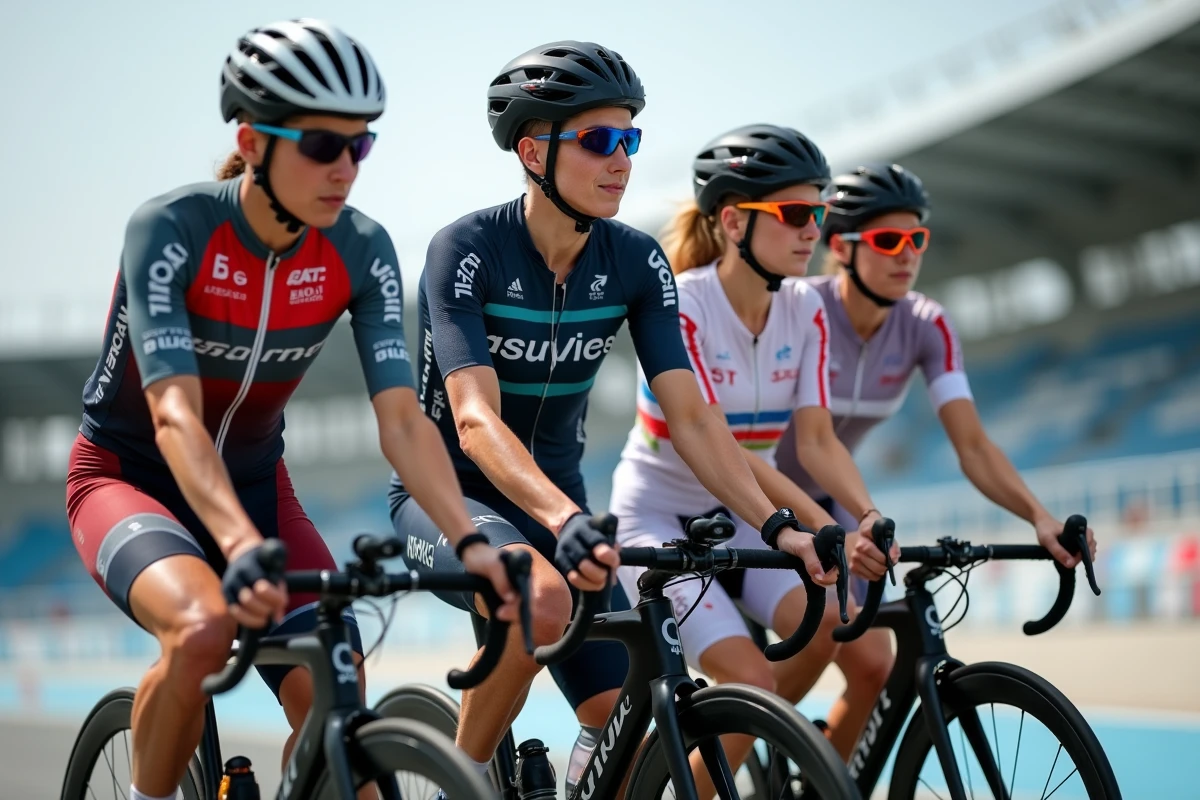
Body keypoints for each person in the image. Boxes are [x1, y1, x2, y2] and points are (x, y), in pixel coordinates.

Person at [65, 19, 515, 800]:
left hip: (255, 487)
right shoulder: (170, 230)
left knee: (337, 685)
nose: (346, 167)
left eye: (360, 145)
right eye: (321, 144)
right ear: (252, 140)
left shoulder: (362, 248)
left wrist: (471, 542)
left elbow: (403, 421)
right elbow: (173, 415)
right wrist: (238, 544)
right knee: (202, 629)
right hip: (127, 481)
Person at [388, 42, 836, 794]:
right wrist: (565, 520)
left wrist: (778, 526)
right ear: (534, 152)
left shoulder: (636, 260)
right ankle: (461, 781)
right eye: (598, 140)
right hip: (449, 499)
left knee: (622, 721)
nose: (621, 160)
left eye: (630, 139)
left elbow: (694, 420)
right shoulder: (466, 249)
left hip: (560, 509)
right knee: (543, 599)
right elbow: (473, 420)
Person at [773, 162, 1100, 759]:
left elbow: (972, 445)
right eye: (888, 240)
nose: (907, 254)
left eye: (917, 239)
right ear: (841, 248)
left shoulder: (927, 324)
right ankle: (736, 735)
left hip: (828, 500)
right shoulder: (798, 307)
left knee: (876, 667)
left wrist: (1039, 517)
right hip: (760, 498)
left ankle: (817, 783)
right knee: (822, 635)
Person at [609, 125, 897, 795]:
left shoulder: (807, 309)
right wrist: (805, 523)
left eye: (819, 213)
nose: (812, 230)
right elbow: (720, 444)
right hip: (658, 519)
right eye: (795, 213)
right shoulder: (681, 304)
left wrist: (866, 515)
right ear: (734, 222)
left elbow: (817, 443)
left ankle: (772, 765)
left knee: (847, 643)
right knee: (752, 681)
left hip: (743, 513)